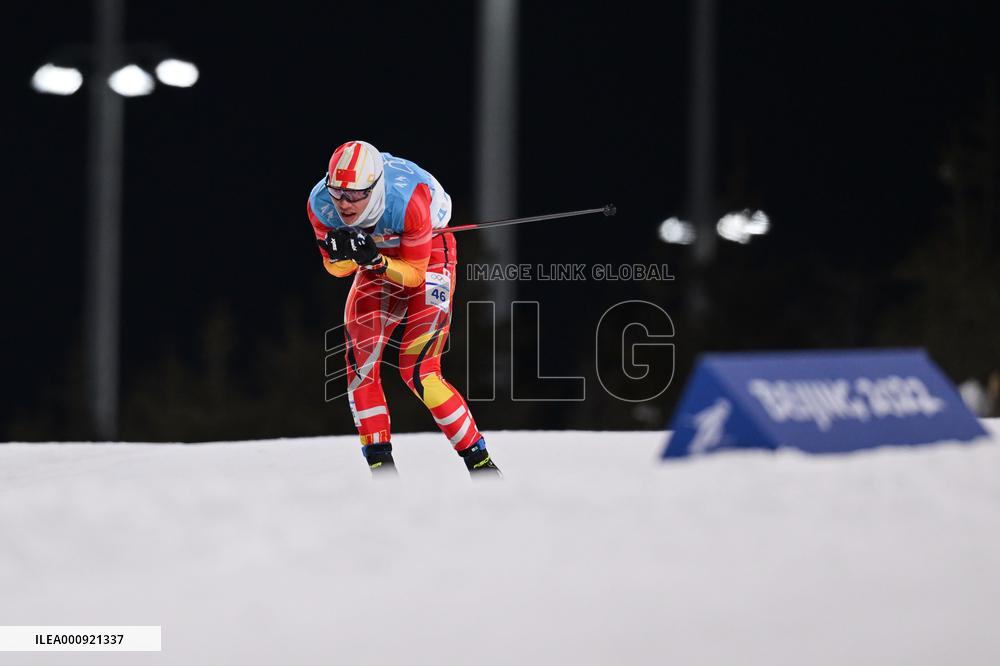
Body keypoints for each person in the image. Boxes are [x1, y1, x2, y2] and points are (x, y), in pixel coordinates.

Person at [307, 140, 501, 478]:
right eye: (338, 192)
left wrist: (372, 258)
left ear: (374, 188)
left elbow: (412, 276)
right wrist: (344, 256)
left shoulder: (408, 199)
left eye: (355, 195)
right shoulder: (320, 203)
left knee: (419, 370)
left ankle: (481, 464)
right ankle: (383, 472)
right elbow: (334, 268)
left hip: (429, 252)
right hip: (378, 260)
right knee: (359, 362)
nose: (344, 204)